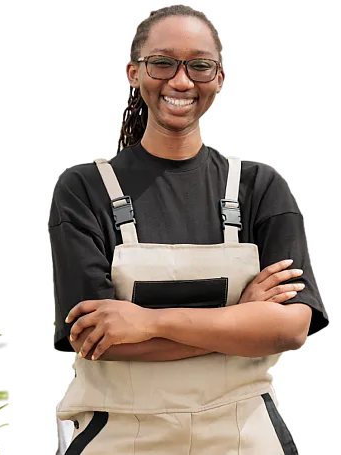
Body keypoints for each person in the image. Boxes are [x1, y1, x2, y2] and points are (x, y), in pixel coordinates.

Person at [48, 5, 330, 454]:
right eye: (162, 63)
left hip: (244, 433)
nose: (181, 81)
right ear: (133, 72)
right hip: (121, 433)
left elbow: (292, 328)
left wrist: (147, 322)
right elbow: (96, 339)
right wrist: (241, 317)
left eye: (200, 65)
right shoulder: (85, 190)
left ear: (219, 79)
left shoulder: (259, 188)